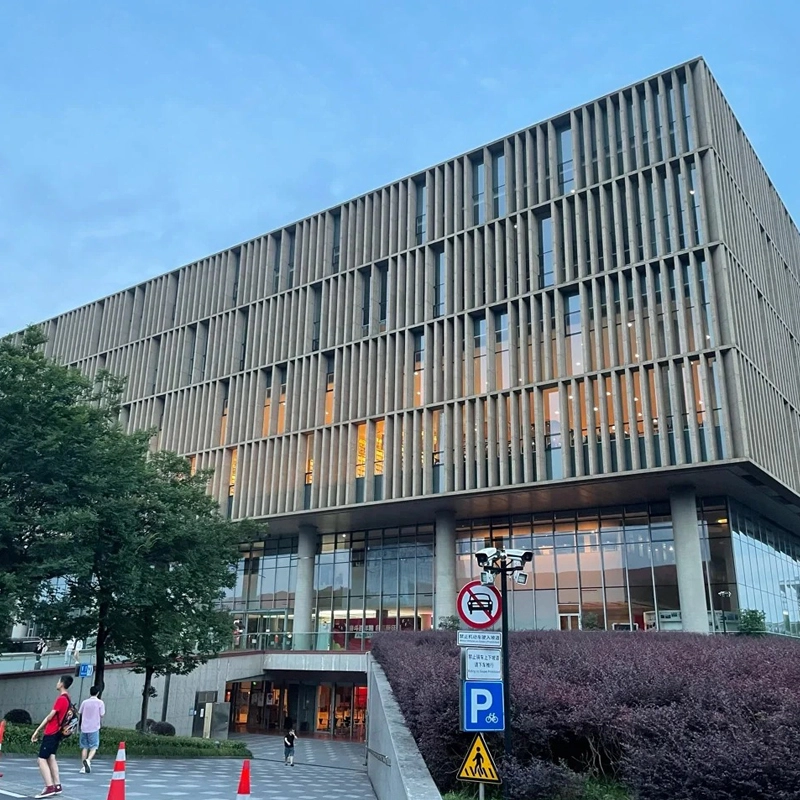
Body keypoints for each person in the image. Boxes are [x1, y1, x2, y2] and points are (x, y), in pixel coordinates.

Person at [30, 674, 74, 798]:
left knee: (41, 759)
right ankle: (57, 785)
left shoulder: (61, 699)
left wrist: (37, 730)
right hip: (58, 733)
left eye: (58, 681)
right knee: (51, 757)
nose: (56, 683)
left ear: (61, 684)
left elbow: (50, 717)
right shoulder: (68, 699)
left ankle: (49, 787)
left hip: (51, 732)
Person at [78, 686, 105, 774]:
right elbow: (102, 714)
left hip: (84, 727)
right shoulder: (100, 702)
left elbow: (80, 712)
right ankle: (88, 760)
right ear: (97, 693)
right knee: (94, 746)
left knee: (84, 747)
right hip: (94, 727)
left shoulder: (84, 702)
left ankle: (83, 767)